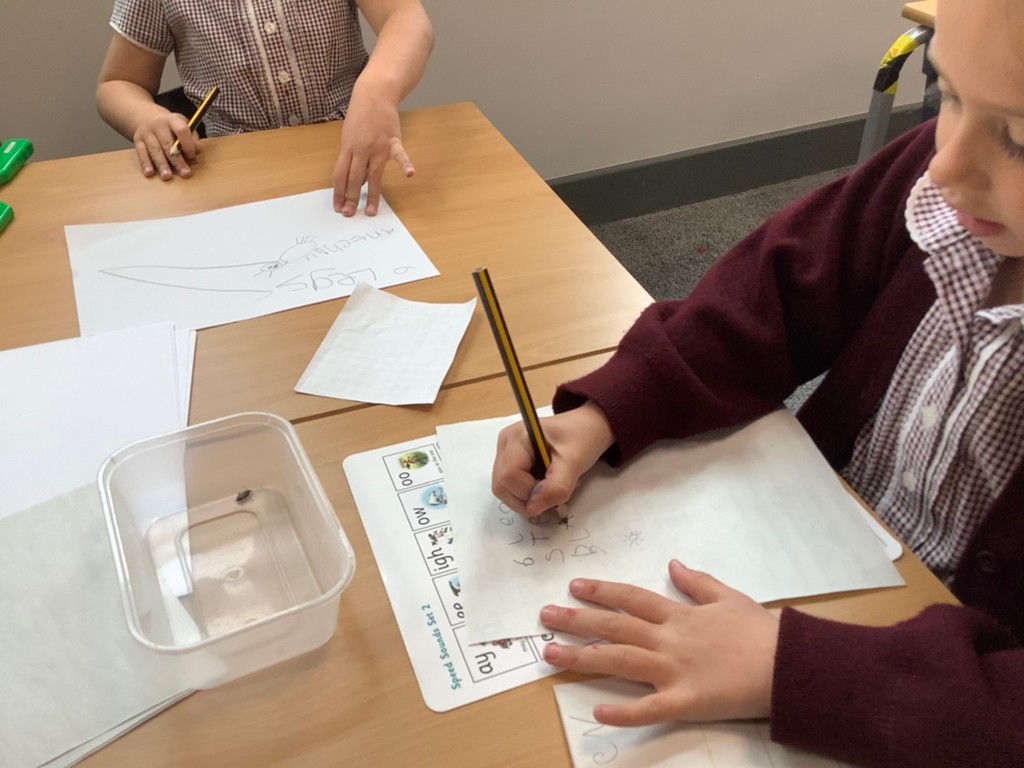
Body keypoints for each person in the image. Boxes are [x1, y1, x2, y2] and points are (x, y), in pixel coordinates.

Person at [491, 1, 1024, 765]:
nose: (946, 165)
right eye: (949, 95)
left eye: (1018, 138)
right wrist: (612, 407)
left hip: (940, 697)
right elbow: (774, 294)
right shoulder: (935, 185)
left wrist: (798, 671)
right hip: (834, 562)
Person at [95, 0, 433, 217]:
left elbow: (407, 19)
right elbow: (118, 83)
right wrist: (148, 118)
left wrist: (376, 91)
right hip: (234, 180)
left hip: (353, 151)